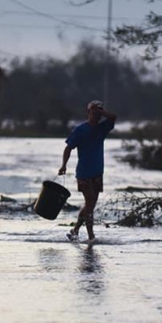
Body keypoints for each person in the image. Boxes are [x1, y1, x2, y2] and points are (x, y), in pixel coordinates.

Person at [58, 100, 118, 246]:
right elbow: (68, 148)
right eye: (93, 112)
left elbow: (113, 118)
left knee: (90, 204)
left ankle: (75, 230)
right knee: (90, 203)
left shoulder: (102, 128)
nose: (96, 115)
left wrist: (100, 111)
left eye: (98, 112)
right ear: (88, 112)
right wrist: (64, 165)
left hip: (97, 172)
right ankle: (91, 236)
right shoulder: (80, 130)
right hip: (84, 173)